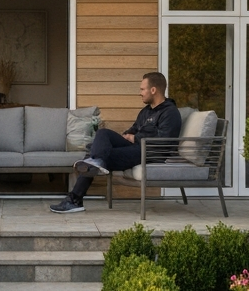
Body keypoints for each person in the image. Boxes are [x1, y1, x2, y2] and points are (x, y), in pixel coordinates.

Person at [49, 72, 182, 214]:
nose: (140, 93)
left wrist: (135, 138)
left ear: (153, 90)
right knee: (103, 133)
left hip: (150, 152)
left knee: (91, 157)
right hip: (136, 147)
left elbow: (164, 141)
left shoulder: (170, 112)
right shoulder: (146, 111)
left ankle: (74, 200)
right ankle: (96, 160)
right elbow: (133, 129)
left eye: (142, 89)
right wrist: (127, 135)